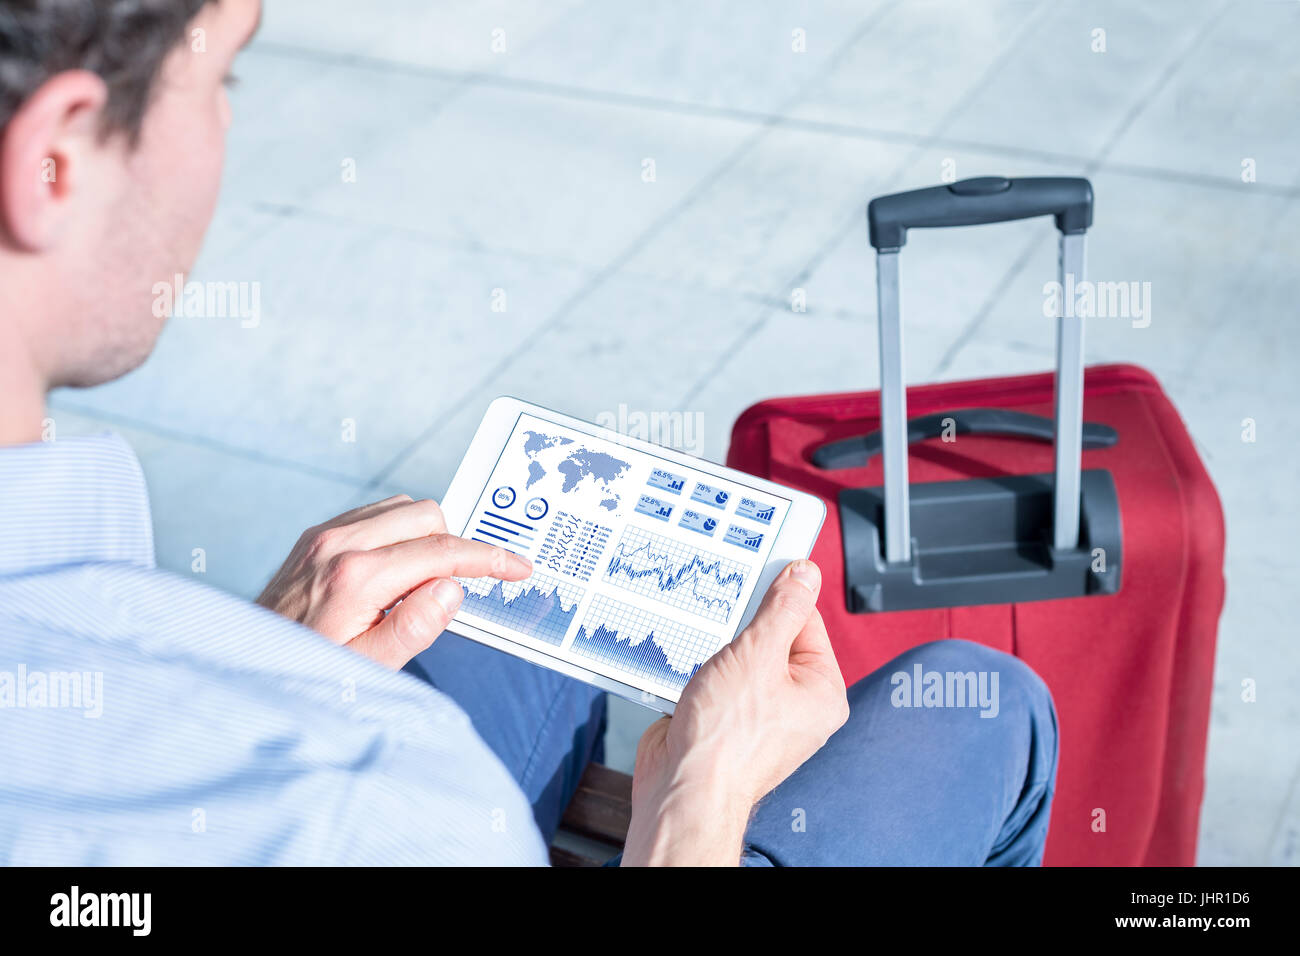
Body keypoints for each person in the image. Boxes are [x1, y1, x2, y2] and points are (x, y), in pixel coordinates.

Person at [0, 0, 1058, 866]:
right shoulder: (381, 804)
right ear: (54, 160)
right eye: (221, 79)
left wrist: (251, 666)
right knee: (984, 707)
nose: (225, 131)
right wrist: (695, 801)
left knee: (489, 586)